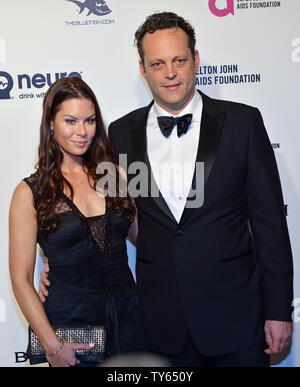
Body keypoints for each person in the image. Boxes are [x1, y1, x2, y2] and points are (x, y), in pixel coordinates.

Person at [40, 12, 294, 367]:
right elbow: (113, 220)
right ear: (143, 70)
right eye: (157, 63)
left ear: (195, 60)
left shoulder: (243, 122)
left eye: (178, 60)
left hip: (237, 320)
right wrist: (64, 268)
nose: (169, 73)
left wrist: (280, 308)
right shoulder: (121, 134)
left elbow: (270, 226)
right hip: (160, 327)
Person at [9, 76, 147, 367]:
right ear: (51, 123)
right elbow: (21, 281)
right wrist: (51, 345)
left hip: (128, 319)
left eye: (90, 120)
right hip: (72, 330)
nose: (82, 132)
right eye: (71, 121)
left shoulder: (115, 175)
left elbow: (145, 238)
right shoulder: (29, 192)